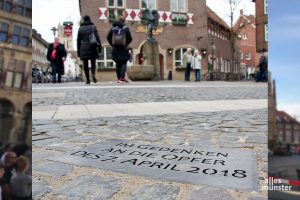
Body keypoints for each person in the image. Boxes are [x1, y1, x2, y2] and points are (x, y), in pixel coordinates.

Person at [107, 15, 132, 83]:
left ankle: (119, 79)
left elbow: (108, 37)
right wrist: (126, 43)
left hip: (115, 48)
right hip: (124, 48)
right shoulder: (126, 28)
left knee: (118, 64)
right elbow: (130, 38)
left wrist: (112, 44)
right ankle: (122, 78)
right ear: (124, 21)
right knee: (124, 62)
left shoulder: (113, 28)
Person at [77, 15, 102, 84]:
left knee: (85, 64)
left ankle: (87, 80)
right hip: (92, 46)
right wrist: (100, 47)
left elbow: (78, 41)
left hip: (83, 47)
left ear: (83, 20)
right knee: (93, 62)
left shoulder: (80, 28)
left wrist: (78, 52)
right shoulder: (93, 27)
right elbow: (97, 38)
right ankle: (93, 74)